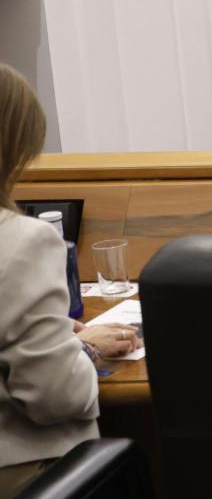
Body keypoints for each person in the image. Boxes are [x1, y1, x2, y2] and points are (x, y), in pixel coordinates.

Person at [0, 65, 141, 495]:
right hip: (28, 473)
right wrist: (83, 347)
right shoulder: (22, 240)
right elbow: (55, 398)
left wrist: (53, 333)